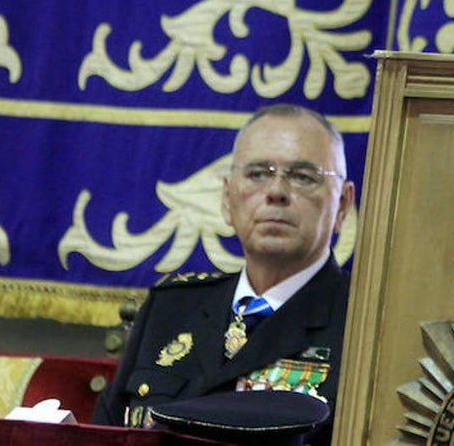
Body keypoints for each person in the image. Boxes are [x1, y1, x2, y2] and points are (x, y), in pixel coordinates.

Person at [92, 103, 355, 445]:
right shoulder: (171, 308)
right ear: (227, 199)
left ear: (343, 206)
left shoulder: (361, 322)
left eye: (303, 176)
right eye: (259, 173)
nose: (276, 192)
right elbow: (109, 434)